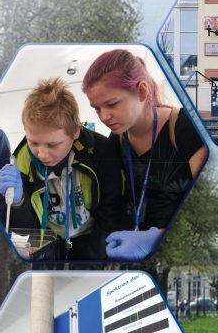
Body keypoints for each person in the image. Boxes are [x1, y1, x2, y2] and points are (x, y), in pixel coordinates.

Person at [83, 49, 208, 261]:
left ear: (141, 91)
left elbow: (208, 209)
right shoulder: (116, 140)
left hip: (183, 257)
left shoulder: (185, 128)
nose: (104, 116)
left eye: (112, 104)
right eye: (97, 109)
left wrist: (158, 238)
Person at [0, 77, 126, 260]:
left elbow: (111, 212)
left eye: (53, 144)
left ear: (75, 131)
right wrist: (17, 203)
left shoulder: (102, 151)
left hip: (92, 238)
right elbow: (25, 230)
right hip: (49, 242)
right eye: (34, 142)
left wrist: (94, 258)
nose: (42, 154)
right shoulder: (20, 163)